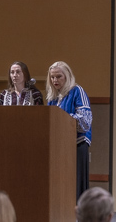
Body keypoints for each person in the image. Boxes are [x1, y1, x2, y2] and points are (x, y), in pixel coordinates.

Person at [46, 61, 92, 202]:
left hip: (77, 145)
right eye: (52, 77)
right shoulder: (52, 98)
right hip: (59, 147)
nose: (55, 80)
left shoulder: (77, 91)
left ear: (67, 76)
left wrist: (63, 118)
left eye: (59, 76)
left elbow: (85, 121)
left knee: (75, 187)